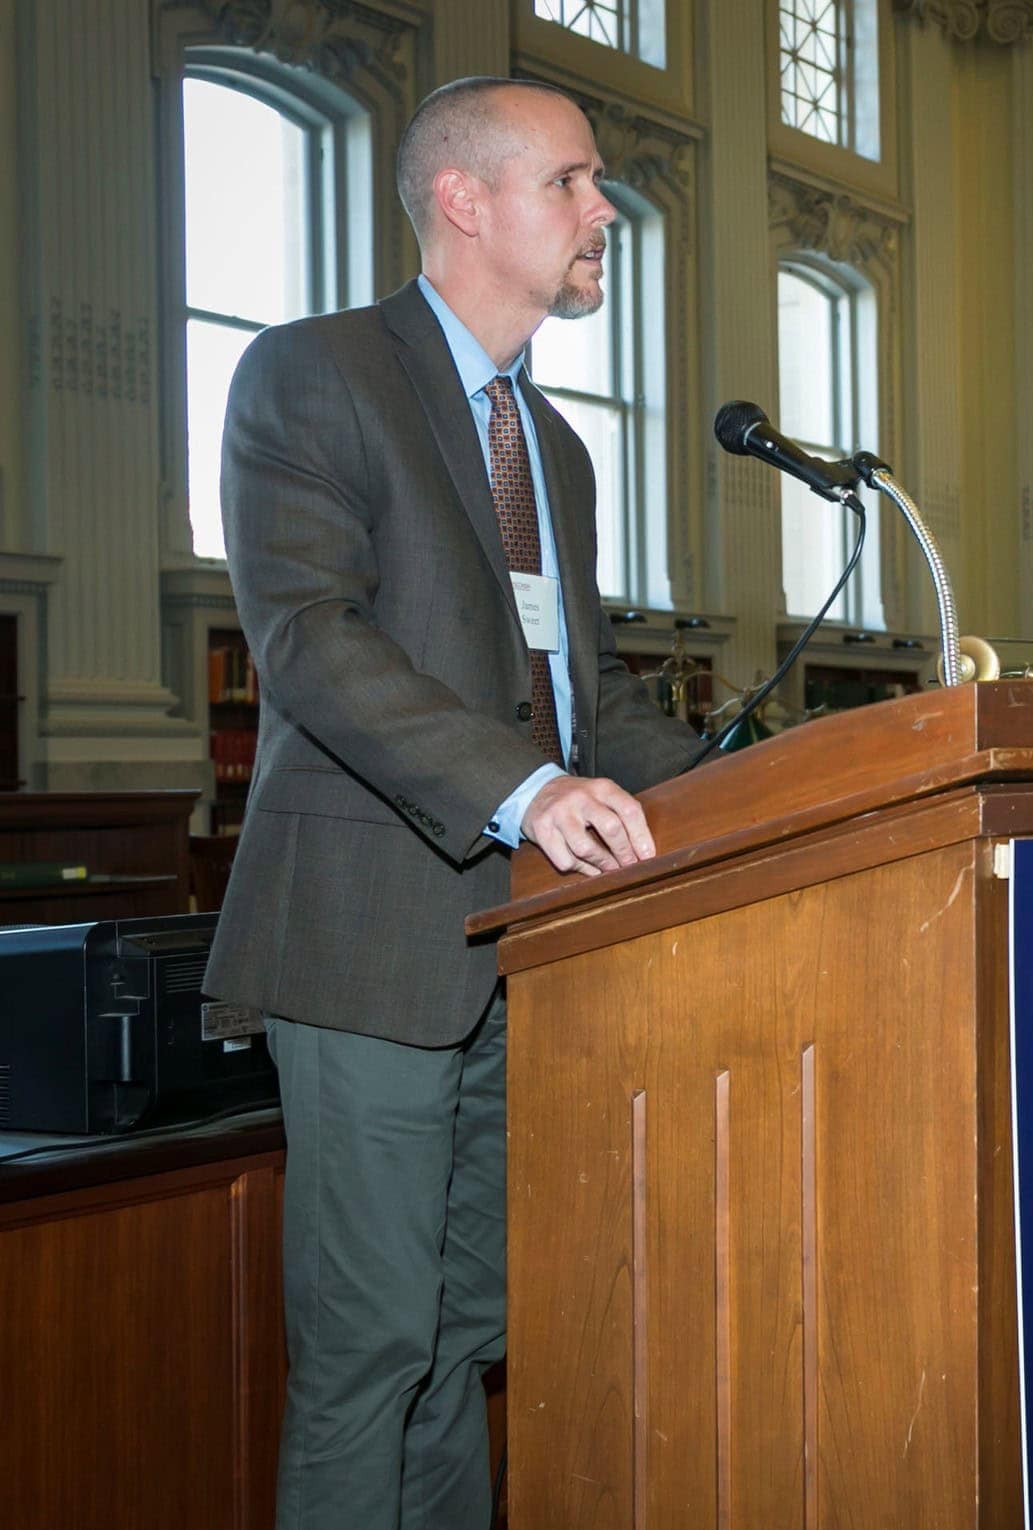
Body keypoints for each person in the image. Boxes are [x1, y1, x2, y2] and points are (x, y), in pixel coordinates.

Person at [203, 76, 700, 1530]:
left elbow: (588, 708)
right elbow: (311, 644)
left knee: (464, 1343)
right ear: (463, 201)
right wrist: (526, 785)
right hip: (365, 948)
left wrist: (768, 779)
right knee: (368, 1356)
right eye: (573, 182)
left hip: (518, 956)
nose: (603, 209)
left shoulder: (556, 449)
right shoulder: (313, 375)